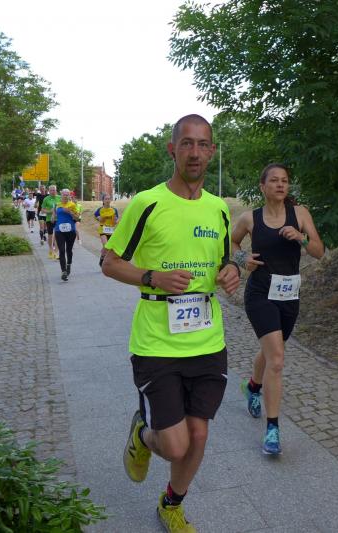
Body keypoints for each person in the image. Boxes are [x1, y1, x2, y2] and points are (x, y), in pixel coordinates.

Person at [101, 114, 240, 533]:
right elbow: (109, 262)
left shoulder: (219, 209)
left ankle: (171, 505)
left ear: (211, 151)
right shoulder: (147, 203)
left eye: (203, 144)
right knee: (175, 444)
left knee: (199, 436)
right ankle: (143, 434)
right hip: (157, 344)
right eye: (187, 143)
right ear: (172, 149)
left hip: (207, 341)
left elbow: (224, 260)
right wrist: (152, 277)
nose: (195, 152)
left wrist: (232, 270)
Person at [231, 163, 324, 455]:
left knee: (273, 352)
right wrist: (243, 259)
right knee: (278, 360)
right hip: (260, 293)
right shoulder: (250, 218)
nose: (281, 185)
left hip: (289, 295)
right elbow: (231, 242)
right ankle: (272, 430)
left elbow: (319, 251)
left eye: (285, 180)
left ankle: (252, 386)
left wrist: (302, 238)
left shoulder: (301, 214)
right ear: (263, 187)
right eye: (274, 180)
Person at [54, 188, 80, 281]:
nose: (65, 196)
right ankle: (63, 271)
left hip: (70, 230)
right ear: (61, 195)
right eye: (64, 194)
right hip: (59, 230)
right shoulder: (57, 205)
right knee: (61, 250)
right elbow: (54, 216)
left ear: (69, 196)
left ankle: (68, 264)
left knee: (69, 250)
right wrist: (53, 218)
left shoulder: (72, 205)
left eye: (67, 194)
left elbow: (77, 218)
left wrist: (70, 212)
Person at [94, 195, 119, 267]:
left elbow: (116, 221)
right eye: (106, 199)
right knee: (106, 245)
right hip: (103, 229)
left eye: (109, 199)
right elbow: (99, 219)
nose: (107, 200)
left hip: (111, 230)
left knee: (108, 247)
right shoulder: (100, 210)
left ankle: (102, 258)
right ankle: (106, 262)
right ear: (103, 201)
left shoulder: (114, 210)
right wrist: (102, 217)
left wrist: (115, 220)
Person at [40, 185, 61, 259]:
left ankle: (56, 252)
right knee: (50, 235)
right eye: (51, 190)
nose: (53, 191)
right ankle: (51, 249)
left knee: (58, 235)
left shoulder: (59, 198)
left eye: (54, 190)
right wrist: (50, 211)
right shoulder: (46, 199)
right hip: (49, 219)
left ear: (56, 190)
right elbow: (42, 210)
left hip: (58, 219)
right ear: (49, 191)